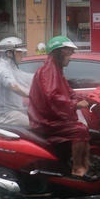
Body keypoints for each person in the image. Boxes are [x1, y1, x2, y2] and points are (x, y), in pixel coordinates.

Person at [28, 35, 91, 178]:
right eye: (69, 53)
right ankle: (79, 171)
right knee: (80, 130)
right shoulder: (48, 71)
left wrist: (84, 98)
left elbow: (68, 92)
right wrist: (75, 104)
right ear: (60, 52)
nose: (71, 57)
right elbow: (53, 97)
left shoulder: (56, 70)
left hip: (52, 118)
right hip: (46, 121)